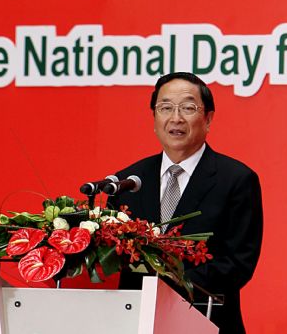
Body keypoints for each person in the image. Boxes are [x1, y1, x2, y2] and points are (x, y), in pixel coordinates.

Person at [110, 72, 263, 334]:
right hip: (135, 324)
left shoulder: (236, 180)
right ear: (154, 119)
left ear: (208, 119)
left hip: (208, 321)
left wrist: (167, 282)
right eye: (165, 108)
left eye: (188, 107)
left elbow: (238, 264)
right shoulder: (128, 182)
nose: (176, 118)